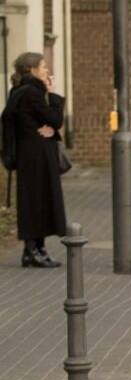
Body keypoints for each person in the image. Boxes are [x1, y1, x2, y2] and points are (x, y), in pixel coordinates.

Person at [3, 52, 66, 268]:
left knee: (36, 200)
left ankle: (36, 249)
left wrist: (50, 130)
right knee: (37, 201)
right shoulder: (32, 93)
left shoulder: (20, 91)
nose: (46, 70)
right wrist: (53, 94)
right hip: (36, 156)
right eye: (43, 66)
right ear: (32, 70)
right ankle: (32, 250)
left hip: (31, 155)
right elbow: (55, 119)